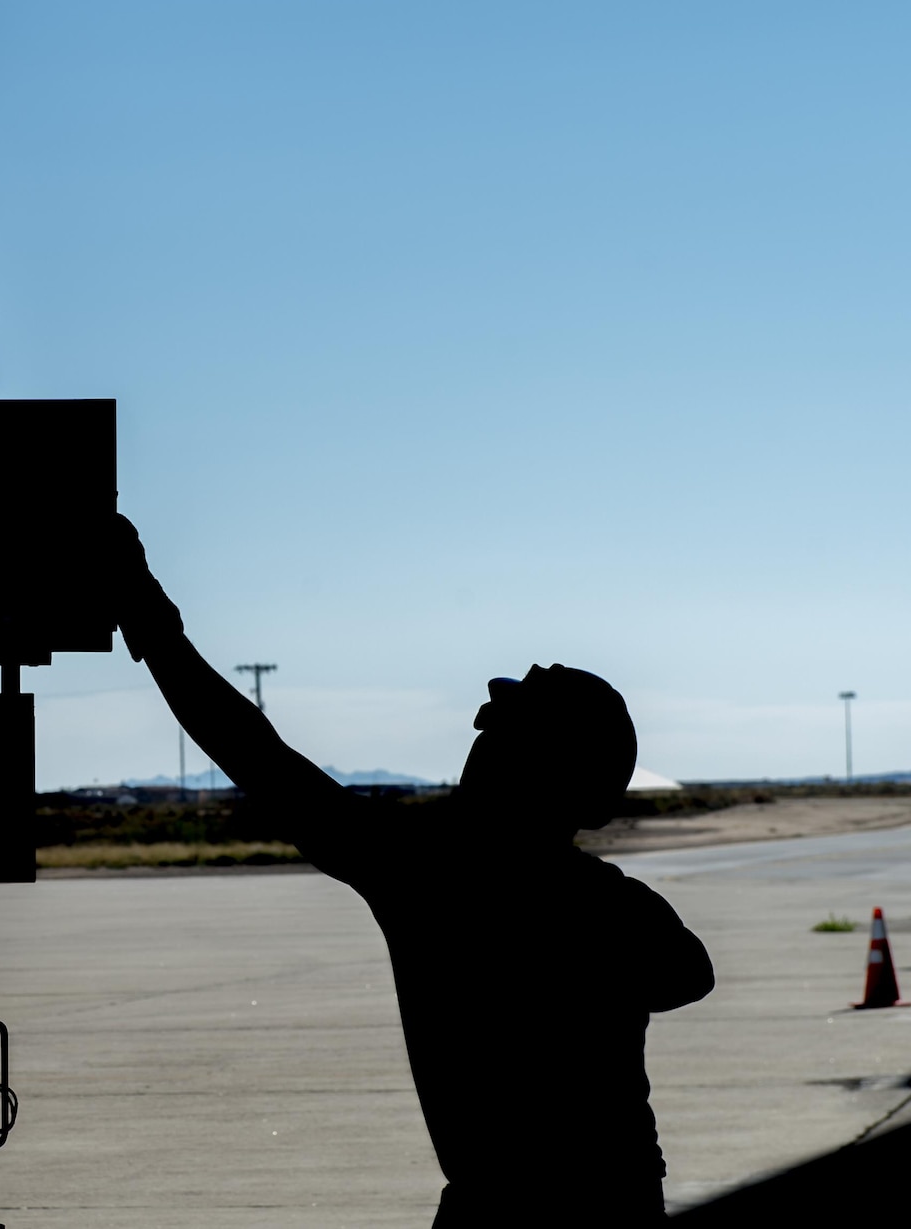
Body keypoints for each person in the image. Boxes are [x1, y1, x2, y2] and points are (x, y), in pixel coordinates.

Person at [106, 515, 714, 1227]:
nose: (479, 738)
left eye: (497, 730)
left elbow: (258, 757)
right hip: (614, 1202)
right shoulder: (613, 908)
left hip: (500, 1209)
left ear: (533, 767)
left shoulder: (426, 876)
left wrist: (148, 615)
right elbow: (687, 973)